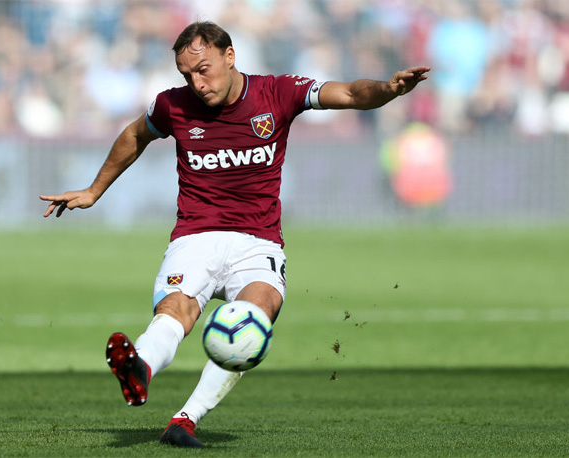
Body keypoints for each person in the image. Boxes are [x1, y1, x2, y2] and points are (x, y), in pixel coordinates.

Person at [40, 21, 429, 448]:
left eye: (203, 69)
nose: (196, 82)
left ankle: (184, 420)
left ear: (230, 56)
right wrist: (94, 191)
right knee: (176, 311)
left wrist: (389, 90)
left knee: (253, 320)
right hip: (195, 236)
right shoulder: (172, 105)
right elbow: (135, 134)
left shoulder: (277, 92)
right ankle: (140, 368)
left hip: (257, 242)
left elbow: (352, 94)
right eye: (187, 74)